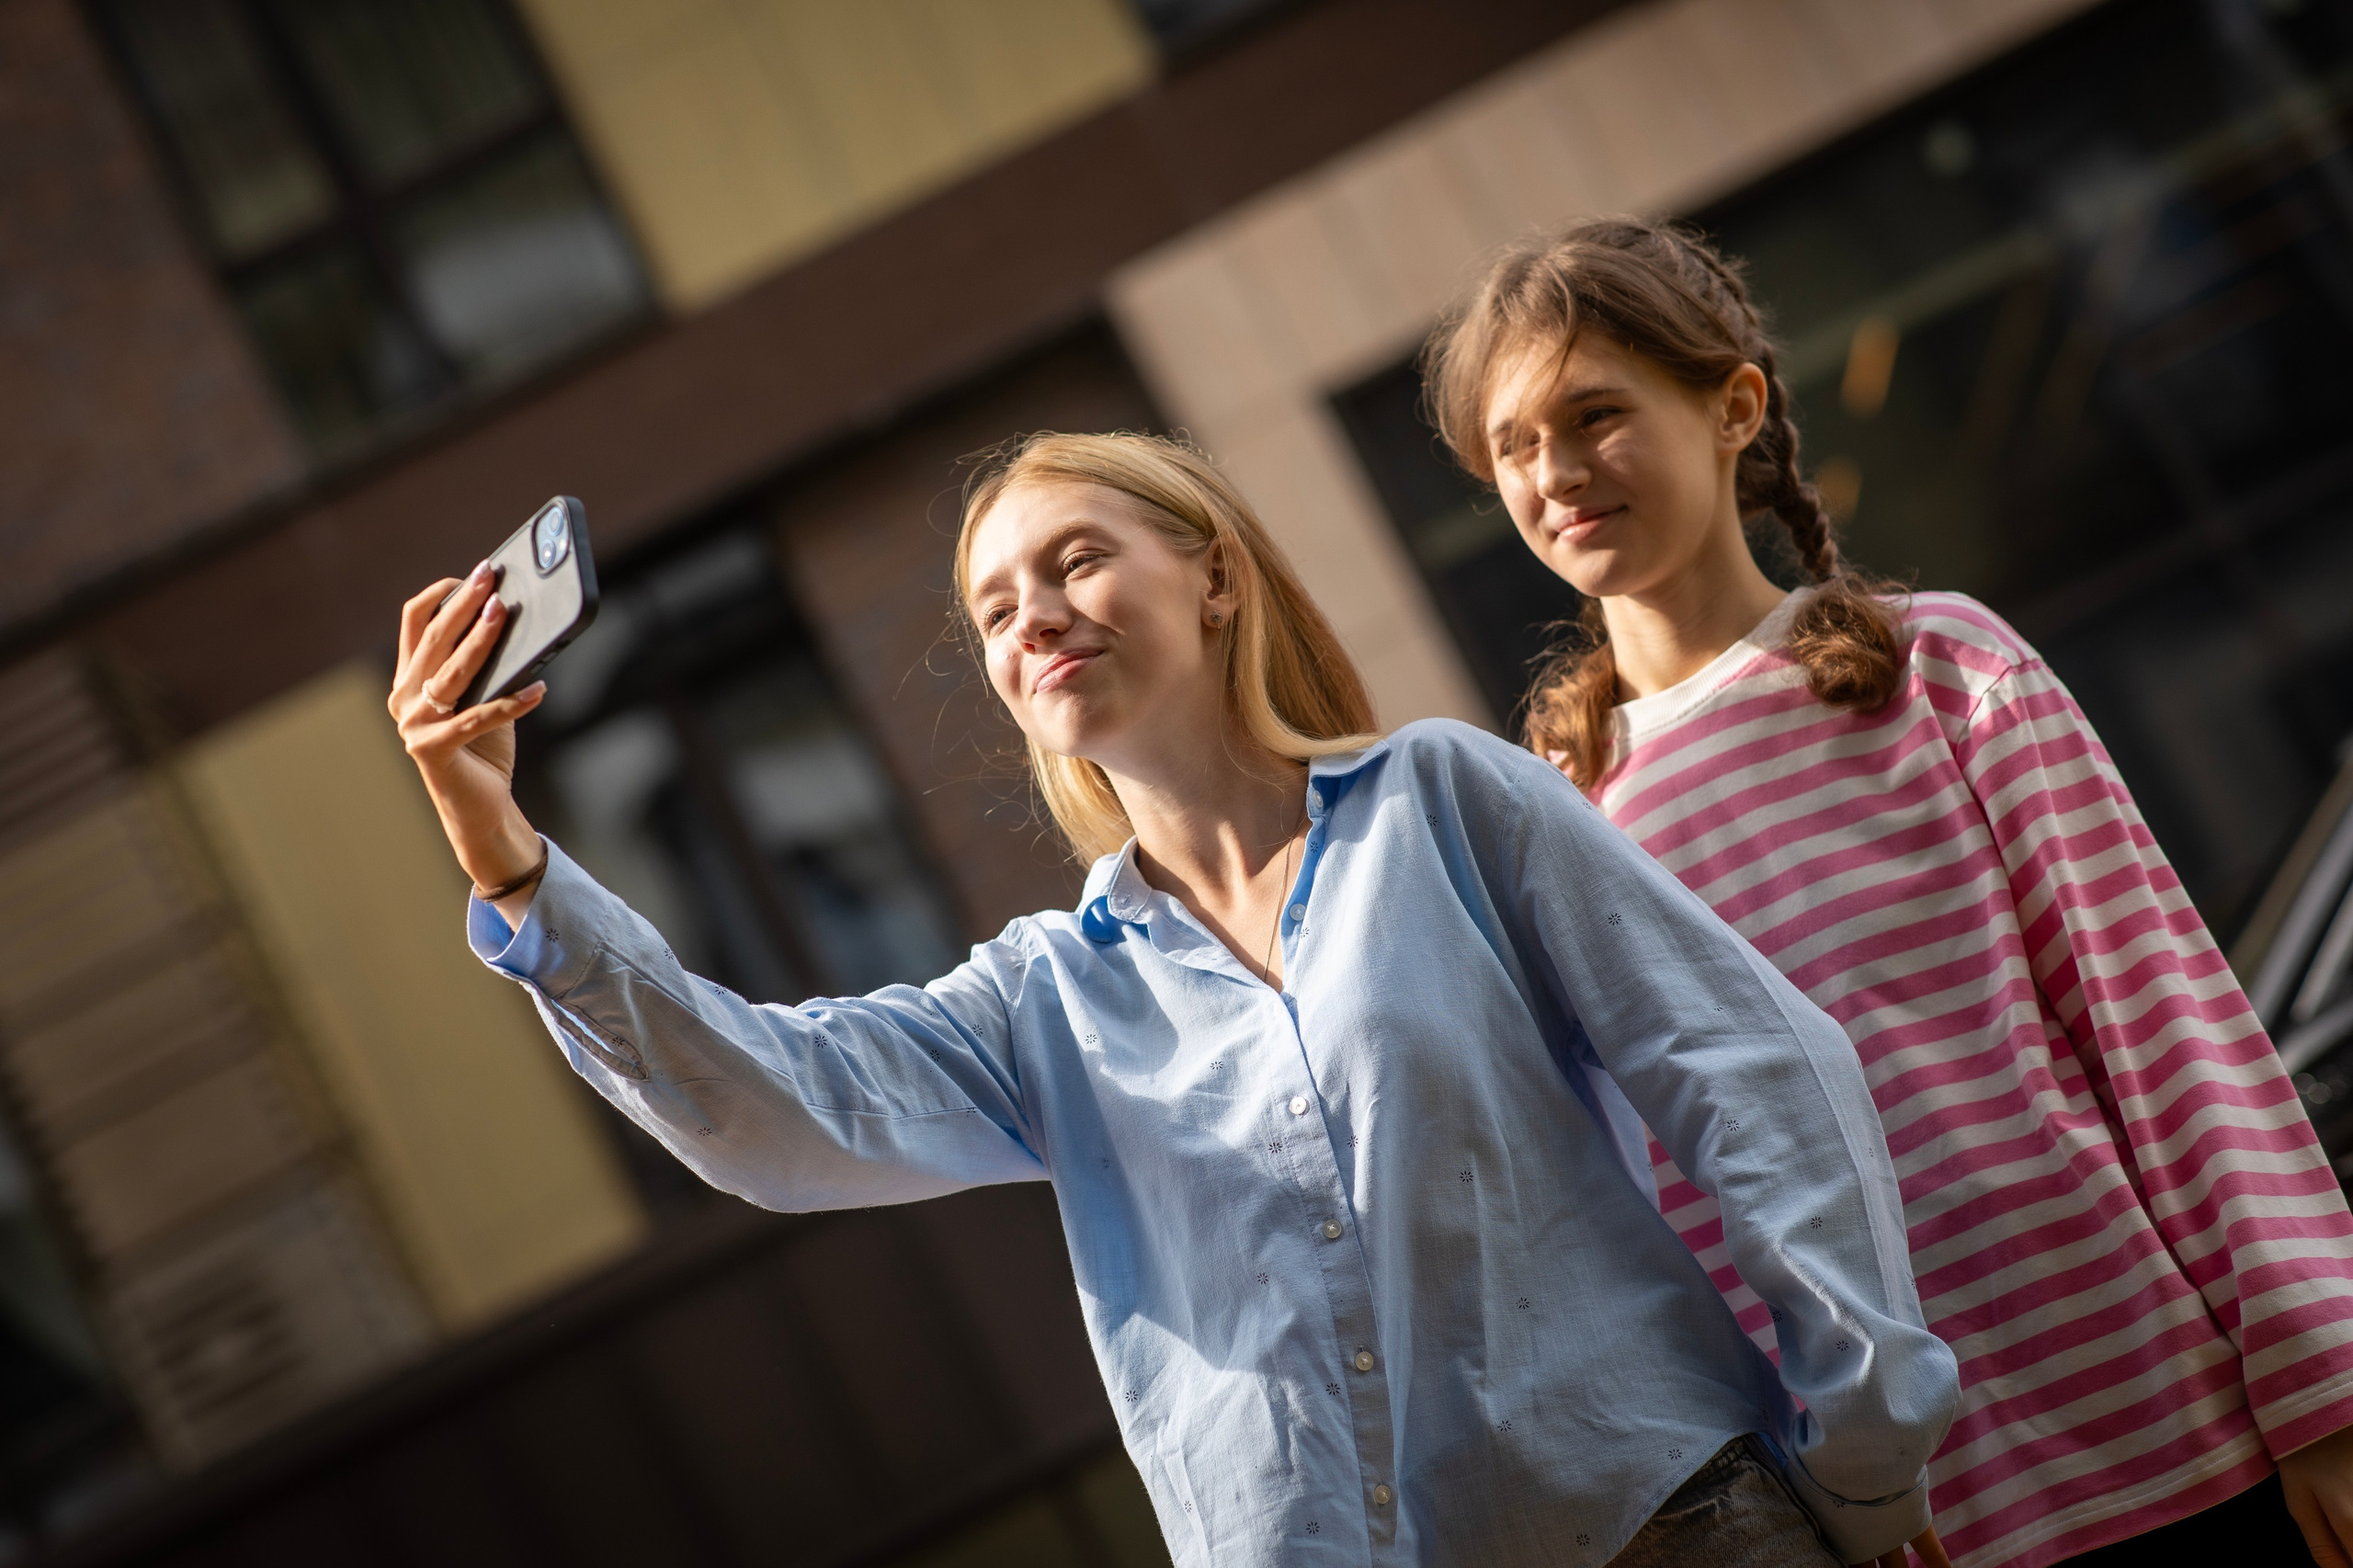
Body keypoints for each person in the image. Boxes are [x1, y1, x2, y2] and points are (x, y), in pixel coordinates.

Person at [388, 432, 1958, 1567]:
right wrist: (507, 854)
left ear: (1214, 577)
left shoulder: (1441, 802)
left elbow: (1753, 1071)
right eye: (994, 609)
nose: (1032, 616)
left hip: (1674, 1528)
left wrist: (1867, 1448)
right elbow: (773, 1113)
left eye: (1074, 560)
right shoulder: (1043, 998)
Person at [1421, 216, 2353, 1568]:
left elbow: (2163, 1026)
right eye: (1512, 444)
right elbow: (1629, 1223)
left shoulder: (1944, 669)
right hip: (1905, 1526)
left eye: (1595, 414)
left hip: (2193, 1439)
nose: (1553, 472)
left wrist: (2324, 1378)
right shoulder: (1542, 821)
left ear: (1734, 407)